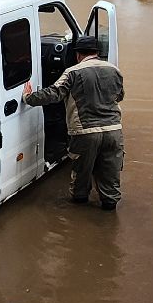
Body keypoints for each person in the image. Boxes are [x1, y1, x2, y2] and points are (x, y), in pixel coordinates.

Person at [24, 36, 125, 210]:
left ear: (78, 54)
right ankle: (109, 208)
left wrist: (29, 97)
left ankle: (79, 211)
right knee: (110, 173)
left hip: (85, 133)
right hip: (113, 131)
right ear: (97, 53)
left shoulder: (73, 72)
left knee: (81, 176)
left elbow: (54, 94)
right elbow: (119, 96)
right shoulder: (114, 70)